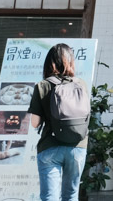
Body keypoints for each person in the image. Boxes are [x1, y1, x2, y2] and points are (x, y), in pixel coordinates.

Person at [27, 44, 88, 201]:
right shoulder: (81, 84)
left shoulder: (43, 85)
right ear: (71, 61)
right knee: (71, 195)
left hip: (50, 146)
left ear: (49, 63)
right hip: (78, 146)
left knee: (50, 197)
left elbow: (35, 123)